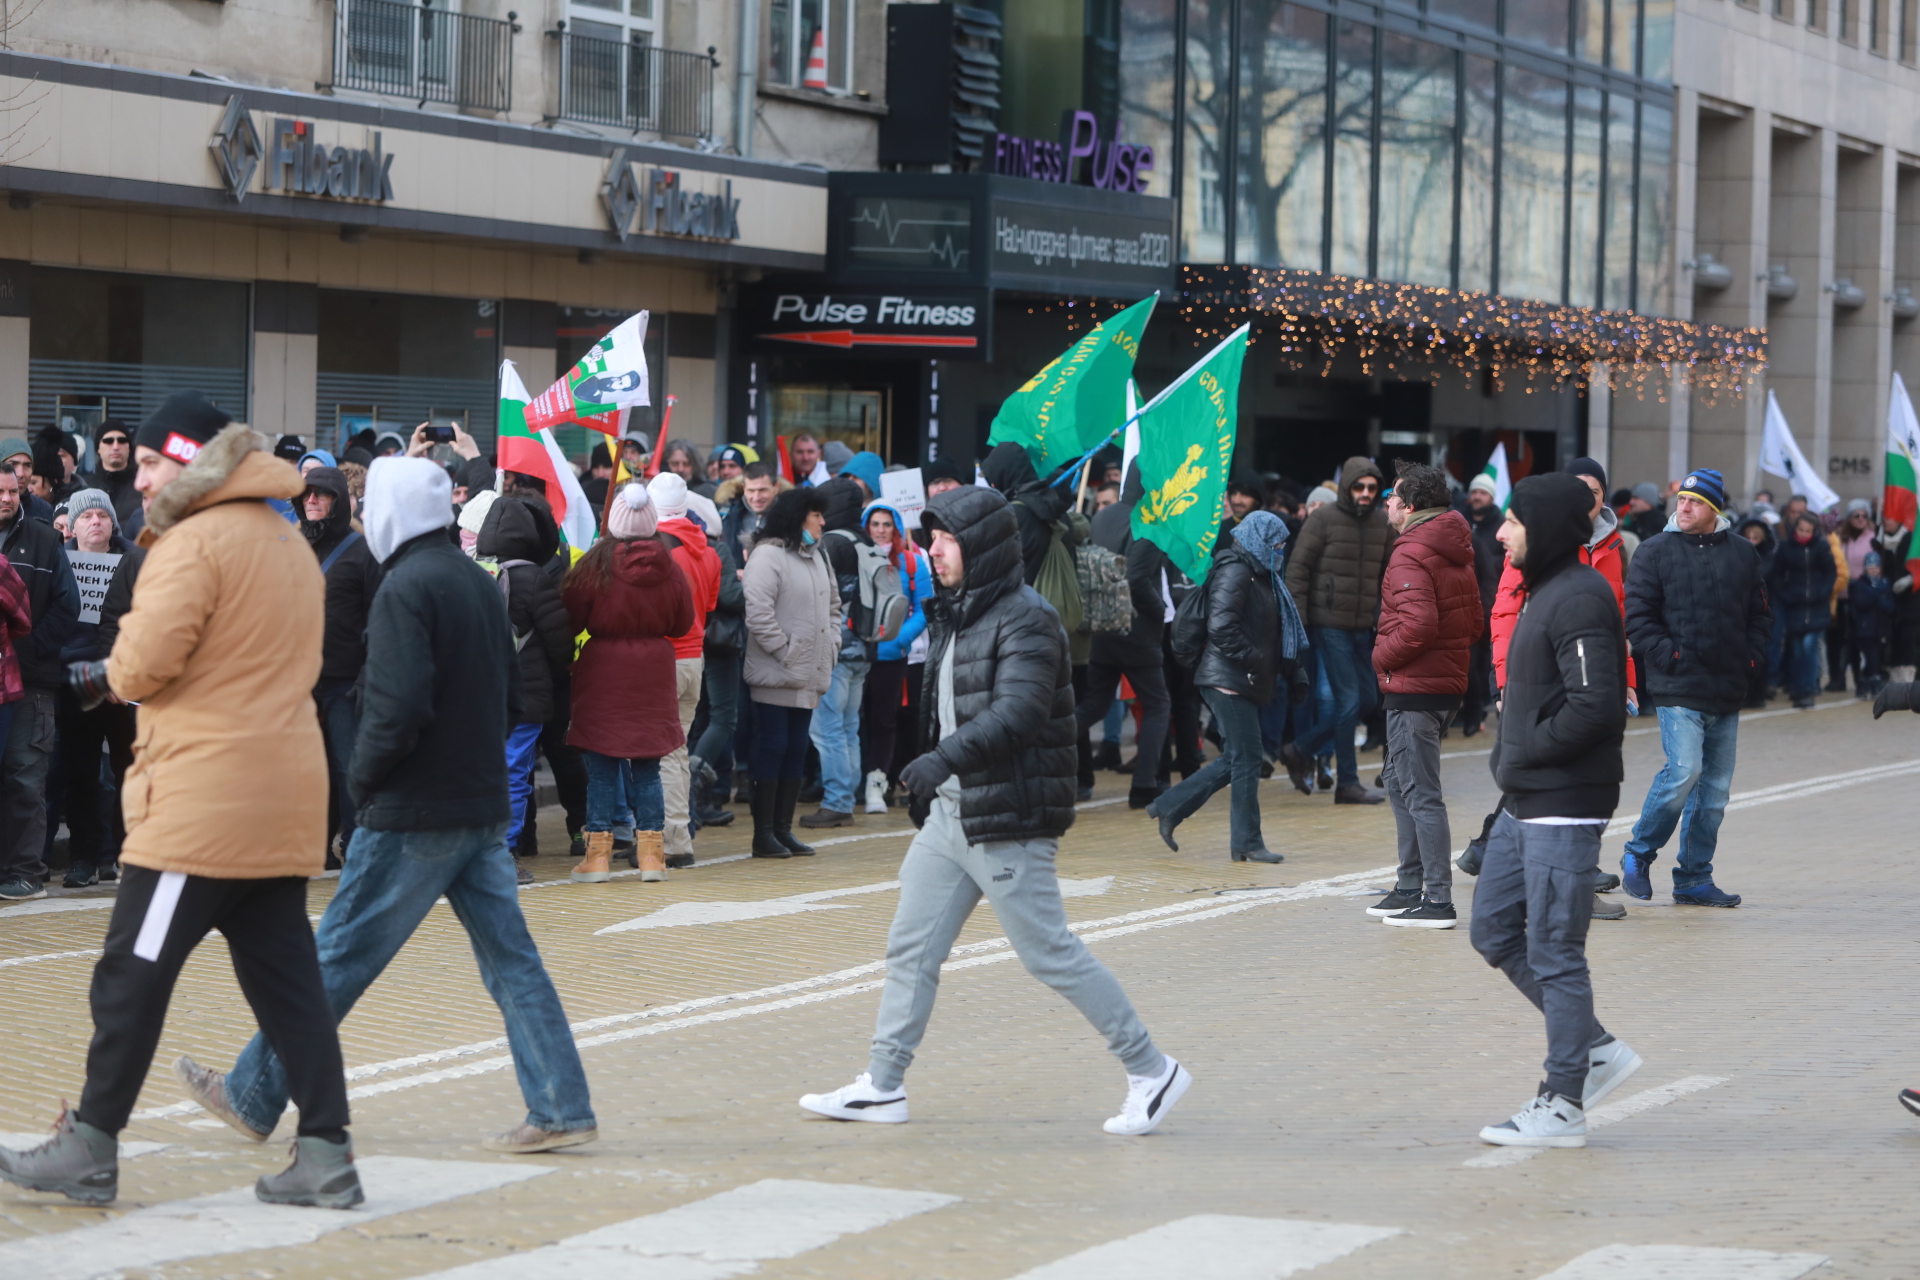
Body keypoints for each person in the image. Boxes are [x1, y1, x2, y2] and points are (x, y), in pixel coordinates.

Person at [177, 454, 598, 1159]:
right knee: (513, 962)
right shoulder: (473, 579)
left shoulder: (406, 587)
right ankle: (560, 1104)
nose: (366, 517)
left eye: (372, 505)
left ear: (396, 511)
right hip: (480, 804)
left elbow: (393, 710)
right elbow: (514, 703)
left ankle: (253, 1093)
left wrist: (362, 783)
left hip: (412, 811)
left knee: (335, 954)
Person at [0, 397, 358, 1208]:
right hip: (281, 795)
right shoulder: (284, 539)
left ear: (190, 462)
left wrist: (108, 671)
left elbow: (143, 663)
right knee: (287, 983)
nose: (145, 477)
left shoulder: (194, 542)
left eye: (157, 462)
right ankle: (328, 1151)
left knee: (129, 971)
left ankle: (91, 1143)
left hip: (202, 804)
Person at [798, 484, 1192, 1137]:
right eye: (932, 539)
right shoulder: (956, 611)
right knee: (910, 949)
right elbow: (948, 703)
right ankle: (883, 1087)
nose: (933, 551)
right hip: (953, 813)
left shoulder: (1028, 617)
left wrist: (939, 761)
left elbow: (1019, 712)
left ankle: (1151, 1069)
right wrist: (933, 776)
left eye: (945, 539)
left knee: (1048, 954)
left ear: (980, 545)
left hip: (1007, 812)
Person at [1470, 472, 1641, 1150]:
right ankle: (1594, 1047)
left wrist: (1526, 752)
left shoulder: (1580, 597)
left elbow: (1596, 708)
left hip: (1563, 805)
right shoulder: (1545, 589)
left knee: (1555, 951)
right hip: (1526, 800)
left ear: (1542, 530)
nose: (1502, 531)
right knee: (1492, 929)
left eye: (1513, 522)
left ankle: (1564, 1100)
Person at [1621, 469, 1770, 907]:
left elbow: (1760, 615)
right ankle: (1639, 852)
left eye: (1695, 501)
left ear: (1714, 510)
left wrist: (1750, 659)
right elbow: (1639, 618)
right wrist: (1671, 656)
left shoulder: (1743, 553)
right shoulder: (1654, 551)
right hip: (1678, 684)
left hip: (1727, 686)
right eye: (1681, 500)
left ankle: (1692, 878)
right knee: (1684, 771)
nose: (1683, 507)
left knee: (1715, 792)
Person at [1365, 463, 1484, 929]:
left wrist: (1381, 658)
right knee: (1399, 783)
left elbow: (1419, 625)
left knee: (1419, 791)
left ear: (1410, 506)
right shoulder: (1455, 547)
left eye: (1392, 497)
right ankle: (1410, 885)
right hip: (1442, 683)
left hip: (1415, 687)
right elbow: (1473, 623)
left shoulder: (1411, 552)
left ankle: (1437, 898)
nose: (1388, 504)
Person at [1148, 512, 1303, 863]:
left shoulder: (1261, 573)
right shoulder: (1236, 570)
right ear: (1259, 541)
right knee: (1247, 759)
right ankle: (1246, 841)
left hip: (1240, 678)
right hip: (1227, 679)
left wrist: (1289, 670)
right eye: (1276, 544)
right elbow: (1222, 628)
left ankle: (1169, 807)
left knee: (1237, 759)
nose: (1281, 550)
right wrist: (1255, 660)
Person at [563, 483, 693, 882]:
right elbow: (682, 622)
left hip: (603, 671)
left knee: (602, 768)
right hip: (653, 672)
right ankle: (653, 856)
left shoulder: (593, 565)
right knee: (648, 768)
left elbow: (573, 617)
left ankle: (597, 856)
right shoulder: (670, 566)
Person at [1281, 456, 1394, 804]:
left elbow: (1388, 575)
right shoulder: (1324, 519)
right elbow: (1297, 571)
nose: (1365, 493)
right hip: (1328, 623)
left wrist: (1381, 613)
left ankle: (1300, 748)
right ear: (1346, 487)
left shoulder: (1382, 523)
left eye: (1372, 488)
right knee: (1348, 700)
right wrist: (1298, 624)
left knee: (1368, 699)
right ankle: (1347, 781)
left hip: (1363, 625)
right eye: (1359, 487)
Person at [475, 490, 573, 883]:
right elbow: (560, 640)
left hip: (478, 694)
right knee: (515, 774)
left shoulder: (472, 569)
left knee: (484, 773)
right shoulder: (533, 577)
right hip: (525, 694)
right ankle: (504, 854)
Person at [743, 486, 839, 856]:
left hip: (808, 672)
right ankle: (763, 833)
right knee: (773, 746)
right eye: (817, 515)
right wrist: (787, 651)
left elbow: (833, 606)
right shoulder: (768, 555)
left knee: (796, 748)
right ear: (799, 516)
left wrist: (831, 645)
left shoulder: (817, 556)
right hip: (777, 672)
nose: (822, 522)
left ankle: (783, 830)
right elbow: (759, 614)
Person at [1075, 462, 1174, 809]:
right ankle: (1144, 786)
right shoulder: (1149, 522)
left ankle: (1044, 748)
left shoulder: (1103, 516)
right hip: (1136, 629)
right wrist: (1160, 611)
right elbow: (1137, 579)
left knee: (1092, 705)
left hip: (1101, 627)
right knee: (1159, 704)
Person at [0, 463, 78, 900]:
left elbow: (69, 607)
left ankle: (25, 872)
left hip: (30, 684)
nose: (7, 499)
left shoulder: (46, 540)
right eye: (0, 491)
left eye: (13, 491)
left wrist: (26, 651)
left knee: (25, 778)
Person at [298, 466, 382, 870]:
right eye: (306, 494)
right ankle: (314, 845)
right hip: (297, 682)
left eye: (320, 494)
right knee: (306, 769)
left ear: (339, 501)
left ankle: (356, 845)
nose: (311, 500)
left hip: (345, 682)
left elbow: (377, 621)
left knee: (349, 766)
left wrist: (368, 678)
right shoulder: (291, 546)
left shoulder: (364, 553)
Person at [53, 489, 136, 887]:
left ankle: (123, 853)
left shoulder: (135, 560)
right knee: (81, 773)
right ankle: (83, 858)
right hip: (77, 680)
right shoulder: (58, 560)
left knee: (130, 773)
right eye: (87, 516)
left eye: (103, 515)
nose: (96, 522)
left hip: (125, 683)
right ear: (73, 525)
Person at [649, 472, 722, 867]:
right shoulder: (708, 552)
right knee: (675, 753)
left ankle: (658, 838)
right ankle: (677, 837)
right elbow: (708, 607)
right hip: (694, 658)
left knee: (652, 756)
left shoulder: (654, 552)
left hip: (663, 660)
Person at [802, 474, 875, 829]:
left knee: (827, 730)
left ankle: (837, 801)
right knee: (849, 727)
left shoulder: (832, 543)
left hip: (836, 650)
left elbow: (814, 592)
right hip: (864, 647)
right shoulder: (864, 539)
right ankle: (847, 796)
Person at [859, 499, 933, 813]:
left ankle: (877, 784)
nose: (880, 530)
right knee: (853, 721)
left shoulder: (912, 562)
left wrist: (899, 637)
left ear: (897, 528)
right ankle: (852, 782)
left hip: (892, 655)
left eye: (886, 524)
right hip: (856, 654)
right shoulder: (854, 556)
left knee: (884, 721)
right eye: (874, 524)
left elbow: (925, 606)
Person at [1770, 511, 1839, 709]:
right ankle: (1797, 687)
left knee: (1809, 646)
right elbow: (1777, 574)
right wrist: (1786, 594)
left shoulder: (1822, 546)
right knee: (1797, 648)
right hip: (1794, 606)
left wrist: (1821, 593)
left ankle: (1807, 689)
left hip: (1817, 607)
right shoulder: (1785, 548)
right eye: (1800, 530)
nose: (1803, 534)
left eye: (1807, 531)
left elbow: (1830, 573)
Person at [1460, 472, 1506, 735]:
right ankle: (1468, 714)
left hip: (1493, 602)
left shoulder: (1501, 526)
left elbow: (1502, 564)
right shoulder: (1462, 523)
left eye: (1483, 492)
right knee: (1468, 666)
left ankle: (1475, 716)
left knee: (1481, 666)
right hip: (1466, 604)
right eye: (1474, 491)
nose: (1476, 496)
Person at [1734, 515, 1778, 708]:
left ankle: (1758, 693)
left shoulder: (1769, 559)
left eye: (1756, 538)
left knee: (1760, 654)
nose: (1752, 541)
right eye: (1748, 537)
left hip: (1762, 612)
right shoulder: (1736, 556)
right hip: (1740, 611)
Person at [85, 419, 144, 537]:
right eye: (108, 441)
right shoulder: (83, 486)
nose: (116, 446)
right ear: (98, 448)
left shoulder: (144, 486)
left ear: (129, 447)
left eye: (122, 441)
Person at [1851, 551, 1895, 697]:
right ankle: (1874, 685)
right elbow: (1861, 603)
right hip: (1866, 628)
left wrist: (1877, 596)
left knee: (1878, 657)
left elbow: (1890, 606)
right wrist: (1877, 594)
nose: (1873, 569)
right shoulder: (1860, 584)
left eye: (1876, 566)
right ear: (1865, 568)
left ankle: (1864, 683)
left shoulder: (1884, 583)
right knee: (1871, 657)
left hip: (1881, 628)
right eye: (1870, 566)